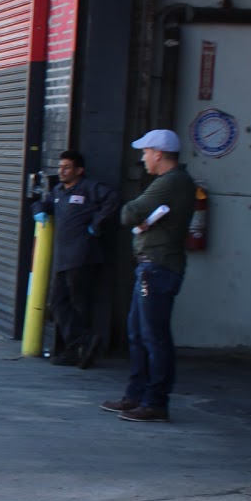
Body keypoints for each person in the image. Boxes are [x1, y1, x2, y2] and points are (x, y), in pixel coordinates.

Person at [101, 129, 196, 422]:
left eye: (145, 153)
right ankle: (136, 395)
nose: (142, 158)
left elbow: (129, 214)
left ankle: (155, 401)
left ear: (158, 153)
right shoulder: (171, 183)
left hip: (157, 267)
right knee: (139, 334)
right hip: (151, 267)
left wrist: (139, 220)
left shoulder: (171, 183)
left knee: (153, 336)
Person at [32, 150, 118, 368]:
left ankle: (79, 348)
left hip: (82, 257)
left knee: (78, 303)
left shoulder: (89, 188)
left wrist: (96, 224)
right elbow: (45, 203)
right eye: (60, 167)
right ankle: (82, 342)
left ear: (79, 170)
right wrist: (38, 209)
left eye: (67, 167)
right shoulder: (59, 191)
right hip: (63, 259)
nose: (61, 171)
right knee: (58, 303)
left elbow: (112, 199)